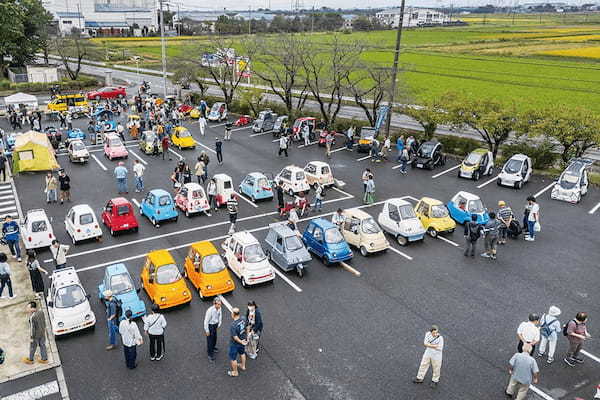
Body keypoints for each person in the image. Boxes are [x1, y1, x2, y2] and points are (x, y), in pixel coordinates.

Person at [227, 307, 248, 377]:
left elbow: (235, 337)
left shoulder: (233, 325)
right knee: (242, 353)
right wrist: (246, 337)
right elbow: (247, 328)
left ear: (233, 314)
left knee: (233, 358)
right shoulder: (243, 319)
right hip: (243, 340)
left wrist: (240, 342)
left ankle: (235, 372)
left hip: (235, 344)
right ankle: (243, 366)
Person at [204, 297, 222, 362]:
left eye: (220, 304)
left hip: (215, 325)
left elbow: (220, 316)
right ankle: (210, 354)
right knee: (210, 340)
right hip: (210, 326)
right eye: (219, 304)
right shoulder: (210, 311)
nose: (220, 306)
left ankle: (213, 347)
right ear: (215, 304)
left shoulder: (219, 308)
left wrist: (219, 324)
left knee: (214, 338)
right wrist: (207, 330)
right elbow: (206, 321)